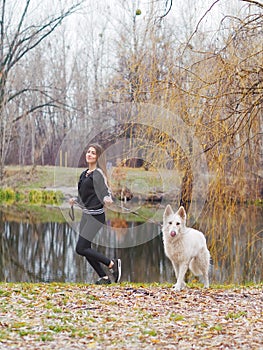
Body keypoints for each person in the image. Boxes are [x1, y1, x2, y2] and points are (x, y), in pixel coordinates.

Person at [69, 143, 121, 285]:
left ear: (97, 157)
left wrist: (107, 198)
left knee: (81, 248)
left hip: (96, 216)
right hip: (86, 216)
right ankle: (104, 277)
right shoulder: (84, 174)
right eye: (88, 152)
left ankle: (111, 263)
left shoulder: (98, 173)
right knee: (86, 248)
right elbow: (85, 195)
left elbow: (105, 191)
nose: (89, 154)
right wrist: (76, 200)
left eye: (93, 153)